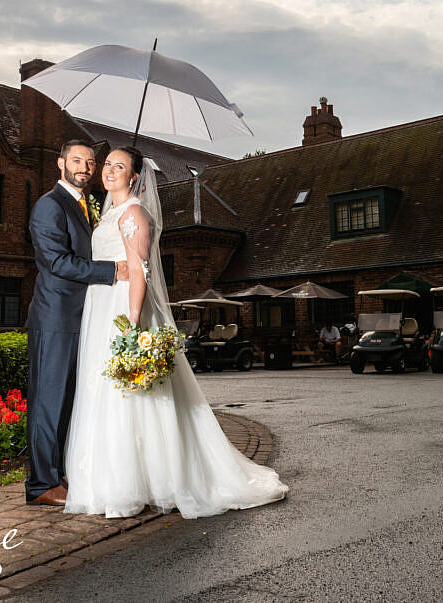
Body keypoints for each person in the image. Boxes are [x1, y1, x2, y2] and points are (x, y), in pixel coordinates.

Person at [64, 146, 288, 519]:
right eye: (107, 165)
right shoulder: (106, 215)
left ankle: (138, 483)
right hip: (101, 306)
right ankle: (109, 479)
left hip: (122, 308)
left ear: (135, 177)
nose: (109, 171)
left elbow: (140, 272)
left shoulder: (134, 214)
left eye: (120, 167)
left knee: (132, 394)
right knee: (103, 390)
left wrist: (132, 324)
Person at [24, 140, 128, 507]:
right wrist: (112, 270)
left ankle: (58, 473)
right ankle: (40, 484)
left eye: (89, 161)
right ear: (60, 163)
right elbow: (57, 262)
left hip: (83, 318)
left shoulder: (87, 205)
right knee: (48, 401)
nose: (84, 167)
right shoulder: (49, 205)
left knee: (70, 400)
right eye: (76, 160)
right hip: (54, 318)